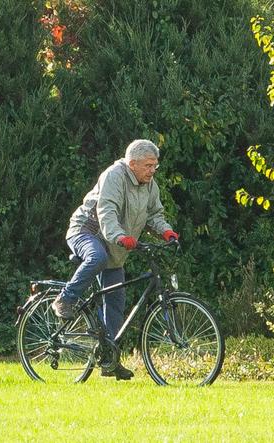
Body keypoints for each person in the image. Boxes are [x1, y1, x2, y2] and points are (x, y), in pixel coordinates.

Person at [52, 139, 178, 380]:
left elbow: (154, 214)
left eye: (155, 166)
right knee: (97, 257)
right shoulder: (114, 176)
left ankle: (109, 359)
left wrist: (166, 232)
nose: (153, 170)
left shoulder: (149, 185)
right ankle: (64, 300)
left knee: (116, 303)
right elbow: (106, 212)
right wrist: (120, 236)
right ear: (132, 164)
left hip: (117, 244)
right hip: (87, 231)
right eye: (148, 165)